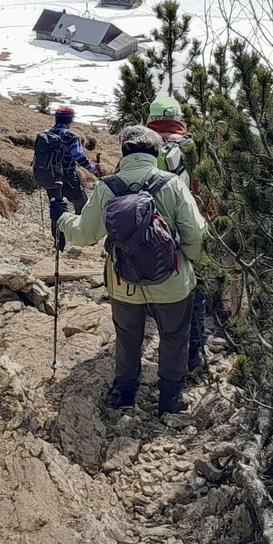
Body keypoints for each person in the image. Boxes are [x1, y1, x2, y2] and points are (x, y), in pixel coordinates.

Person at [59, 126, 208, 415]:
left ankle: (124, 394)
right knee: (174, 336)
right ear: (155, 153)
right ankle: (171, 398)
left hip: (123, 281)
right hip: (172, 281)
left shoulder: (107, 187)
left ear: (124, 152)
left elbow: (85, 234)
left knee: (127, 336)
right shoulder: (173, 184)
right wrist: (187, 262)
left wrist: (63, 218)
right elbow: (195, 232)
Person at [144, 96, 210, 377]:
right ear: (179, 118)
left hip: (148, 236)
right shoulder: (194, 147)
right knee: (195, 294)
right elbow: (209, 189)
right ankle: (193, 355)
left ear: (151, 118)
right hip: (188, 230)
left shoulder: (142, 146)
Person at [38, 105, 100, 216]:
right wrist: (93, 169)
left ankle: (57, 231)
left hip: (49, 176)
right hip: (67, 176)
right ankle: (76, 230)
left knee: (56, 205)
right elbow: (79, 156)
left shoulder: (45, 134)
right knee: (82, 204)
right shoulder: (71, 136)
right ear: (70, 120)